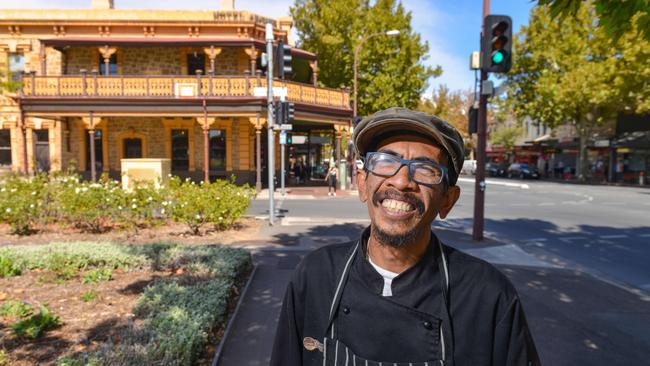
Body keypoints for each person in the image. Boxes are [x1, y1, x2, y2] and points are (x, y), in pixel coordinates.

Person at [270, 107, 540, 366]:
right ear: (363, 184)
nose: (401, 181)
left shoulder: (489, 297)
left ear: (447, 200)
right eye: (386, 162)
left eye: (425, 169)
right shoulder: (315, 276)